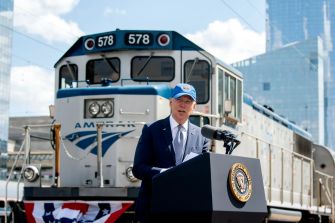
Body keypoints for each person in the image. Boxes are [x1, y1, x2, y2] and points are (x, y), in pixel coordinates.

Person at [132, 83, 210, 222]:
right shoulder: (152, 130)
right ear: (170, 102)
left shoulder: (201, 135)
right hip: (155, 210)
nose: (183, 105)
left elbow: (205, 173)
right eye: (179, 100)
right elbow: (138, 169)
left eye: (188, 101)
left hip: (188, 211)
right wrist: (164, 173)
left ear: (194, 106)